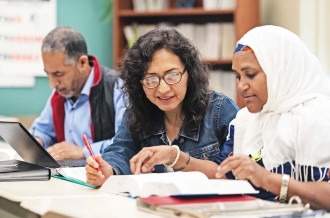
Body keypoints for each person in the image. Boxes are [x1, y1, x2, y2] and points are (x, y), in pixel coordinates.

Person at [85, 28, 239, 186]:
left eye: (172, 76)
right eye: (151, 79)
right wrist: (108, 170)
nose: (163, 89)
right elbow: (120, 150)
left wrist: (175, 157)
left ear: (190, 74)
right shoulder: (137, 114)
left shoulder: (220, 110)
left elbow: (234, 174)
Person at [215, 25, 330, 210]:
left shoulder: (318, 117)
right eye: (237, 76)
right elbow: (223, 173)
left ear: (280, 70)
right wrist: (176, 157)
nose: (241, 86)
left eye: (250, 75)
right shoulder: (247, 119)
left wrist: (267, 179)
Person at [30, 27, 126, 160]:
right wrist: (37, 142)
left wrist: (83, 151)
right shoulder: (60, 93)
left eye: (58, 74)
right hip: (67, 174)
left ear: (82, 63)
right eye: (48, 74)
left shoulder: (117, 87)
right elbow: (42, 130)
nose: (52, 83)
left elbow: (125, 144)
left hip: (105, 176)